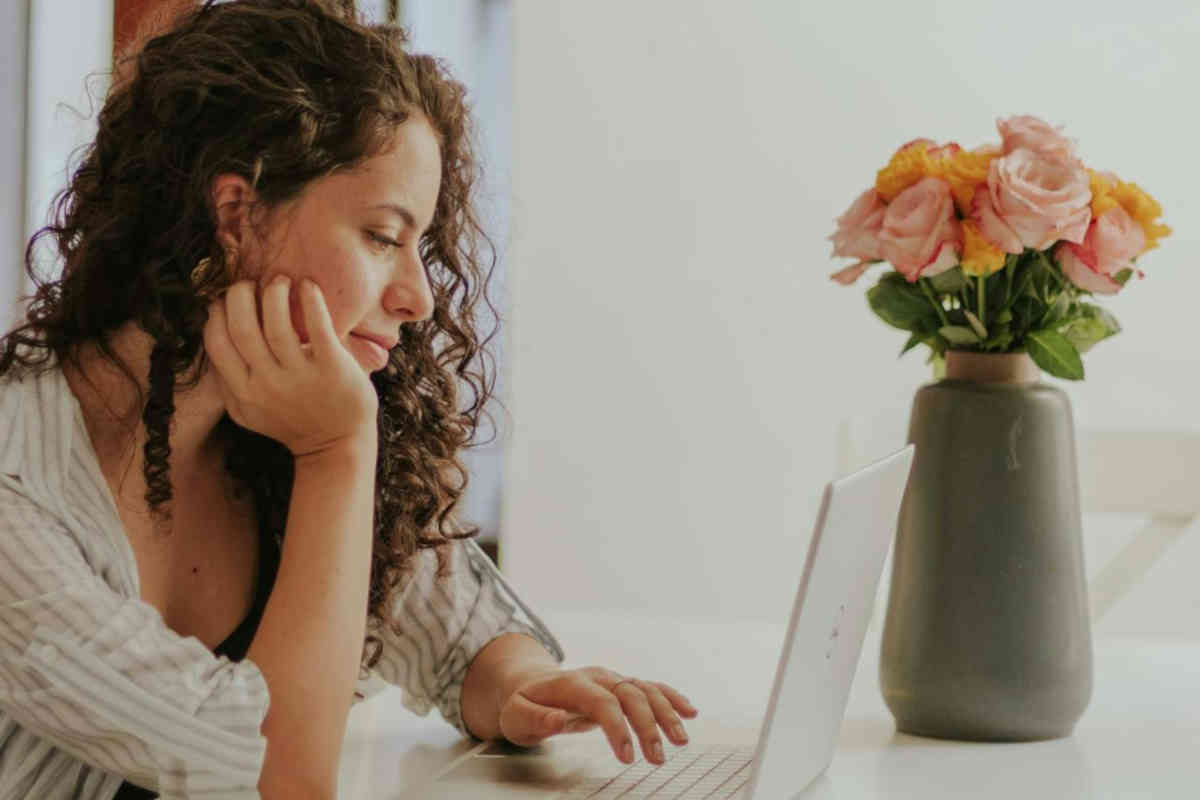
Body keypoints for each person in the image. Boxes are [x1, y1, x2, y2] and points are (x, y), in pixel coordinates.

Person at [0, 1, 697, 797]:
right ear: (236, 215)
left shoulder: (263, 426)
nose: (418, 297)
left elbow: (459, 627)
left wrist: (519, 685)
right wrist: (337, 455)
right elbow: (283, 780)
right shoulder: (16, 489)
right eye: (381, 237)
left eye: (420, 245)